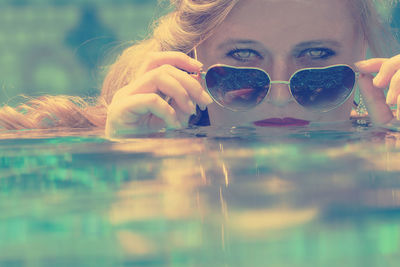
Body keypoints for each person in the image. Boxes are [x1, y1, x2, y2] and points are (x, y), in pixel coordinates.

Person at [0, 0, 399, 138]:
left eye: (316, 58)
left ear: (360, 53)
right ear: (195, 58)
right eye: (243, 59)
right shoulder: (135, 139)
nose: (280, 96)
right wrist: (132, 165)